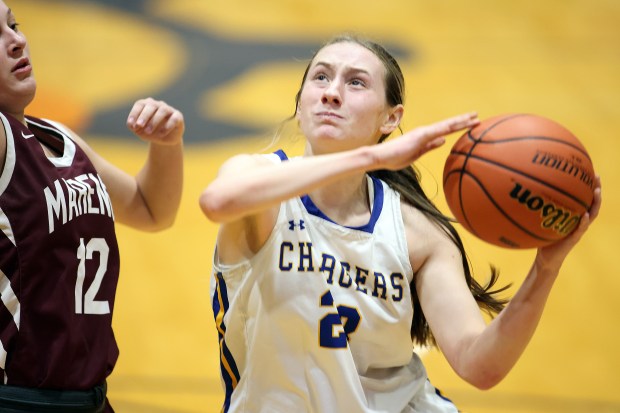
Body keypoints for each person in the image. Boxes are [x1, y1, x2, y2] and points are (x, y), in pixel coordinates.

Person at [199, 34, 601, 412]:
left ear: (390, 119)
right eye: (320, 76)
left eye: (356, 83)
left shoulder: (417, 232)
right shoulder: (257, 181)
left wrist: (546, 268)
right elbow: (217, 202)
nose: (332, 91)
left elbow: (480, 365)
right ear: (301, 106)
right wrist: (371, 158)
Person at [0, 2, 184, 412]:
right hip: (21, 399)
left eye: (14, 25)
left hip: (91, 398)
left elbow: (151, 209)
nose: (16, 41)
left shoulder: (58, 138)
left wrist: (167, 145)